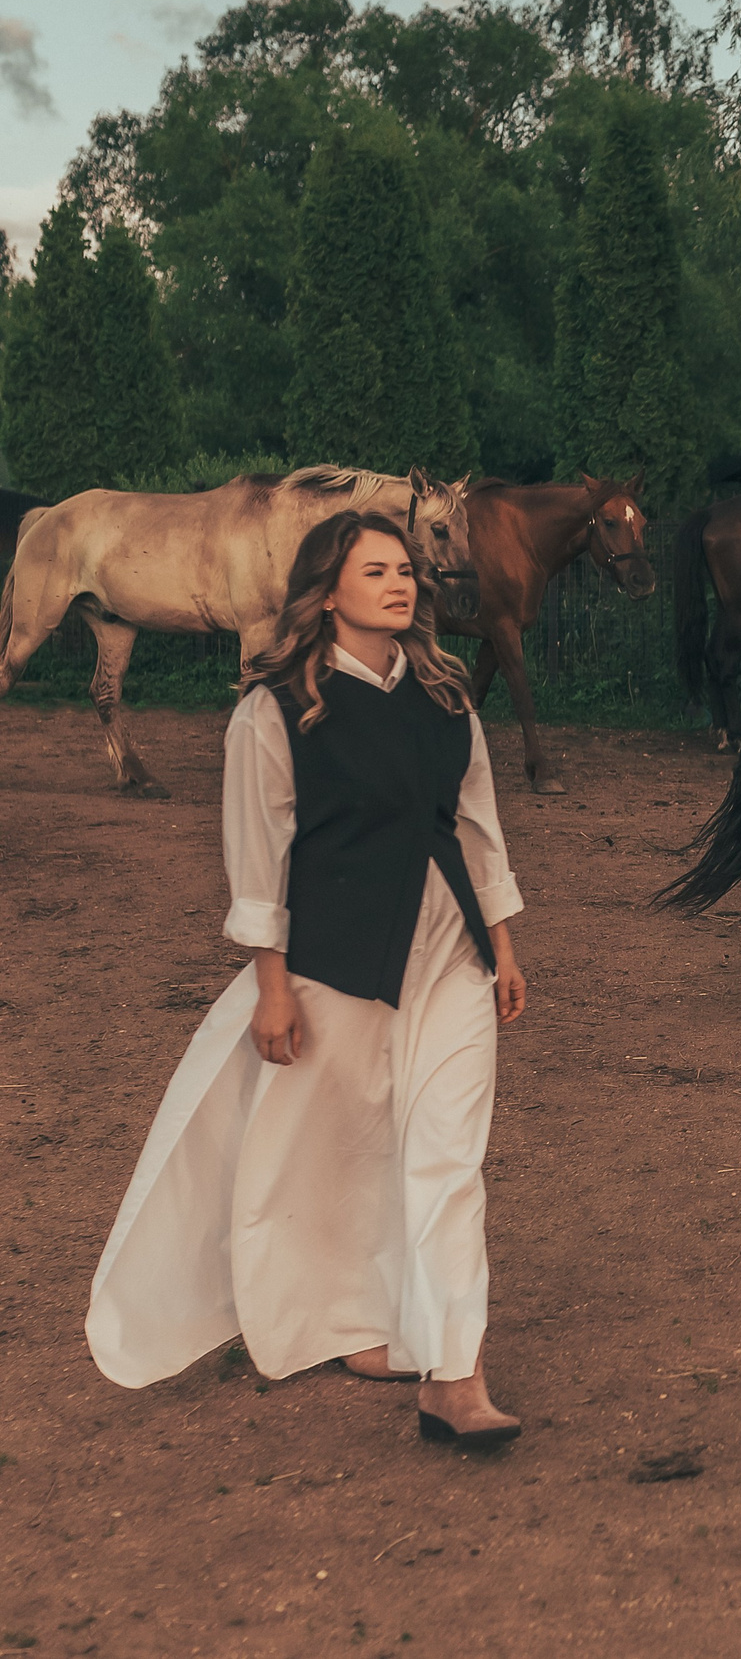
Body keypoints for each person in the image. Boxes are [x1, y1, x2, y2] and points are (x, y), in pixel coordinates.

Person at [86, 509, 531, 1447]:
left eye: (406, 569)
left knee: (449, 1155)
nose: (401, 583)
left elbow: (477, 822)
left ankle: (456, 1376)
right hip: (337, 962)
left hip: (451, 955)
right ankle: (356, 1326)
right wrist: (273, 985)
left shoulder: (448, 695)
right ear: (327, 591)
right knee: (333, 1151)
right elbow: (259, 854)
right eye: (377, 571)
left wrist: (503, 941)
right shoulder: (278, 706)